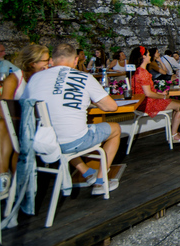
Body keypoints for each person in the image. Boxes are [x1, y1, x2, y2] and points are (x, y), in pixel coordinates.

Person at [21, 43, 121, 195]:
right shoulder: (84, 77)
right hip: (72, 141)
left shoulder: (35, 79)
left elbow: (26, 106)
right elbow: (111, 107)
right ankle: (101, 181)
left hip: (41, 140)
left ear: (51, 61)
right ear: (75, 60)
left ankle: (87, 172)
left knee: (63, 130)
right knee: (115, 129)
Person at [0, 44, 51, 193]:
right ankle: (5, 176)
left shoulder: (47, 78)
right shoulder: (14, 79)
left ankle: (11, 180)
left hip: (43, 125)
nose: (49, 63)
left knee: (6, 129)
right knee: (2, 125)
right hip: (21, 125)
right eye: (45, 60)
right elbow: (2, 108)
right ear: (32, 63)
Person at [129, 46, 180, 140]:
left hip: (142, 102)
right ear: (143, 57)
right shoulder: (143, 73)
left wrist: (160, 93)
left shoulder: (137, 71)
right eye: (149, 55)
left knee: (178, 104)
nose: (150, 57)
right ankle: (174, 134)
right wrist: (162, 97)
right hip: (148, 103)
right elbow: (148, 93)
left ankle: (174, 132)